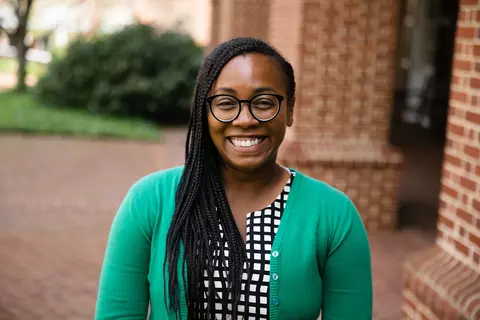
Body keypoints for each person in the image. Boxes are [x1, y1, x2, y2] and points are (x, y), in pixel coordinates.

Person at [95, 37, 372, 320]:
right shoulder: (149, 201)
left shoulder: (334, 215)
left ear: (289, 110)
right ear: (205, 112)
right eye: (226, 103)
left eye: (264, 102)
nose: (245, 119)